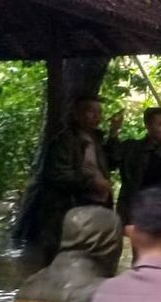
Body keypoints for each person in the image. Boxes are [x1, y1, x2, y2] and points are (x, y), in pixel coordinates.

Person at [40, 97, 115, 263]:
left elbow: (111, 163)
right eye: (91, 111)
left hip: (96, 205)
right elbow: (57, 174)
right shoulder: (64, 140)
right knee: (66, 255)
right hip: (70, 207)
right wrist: (90, 182)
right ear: (77, 114)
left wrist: (113, 134)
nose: (97, 116)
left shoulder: (96, 139)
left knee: (92, 255)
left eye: (99, 112)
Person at [105, 107, 161, 224]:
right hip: (133, 207)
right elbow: (110, 162)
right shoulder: (131, 148)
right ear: (148, 125)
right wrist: (113, 133)